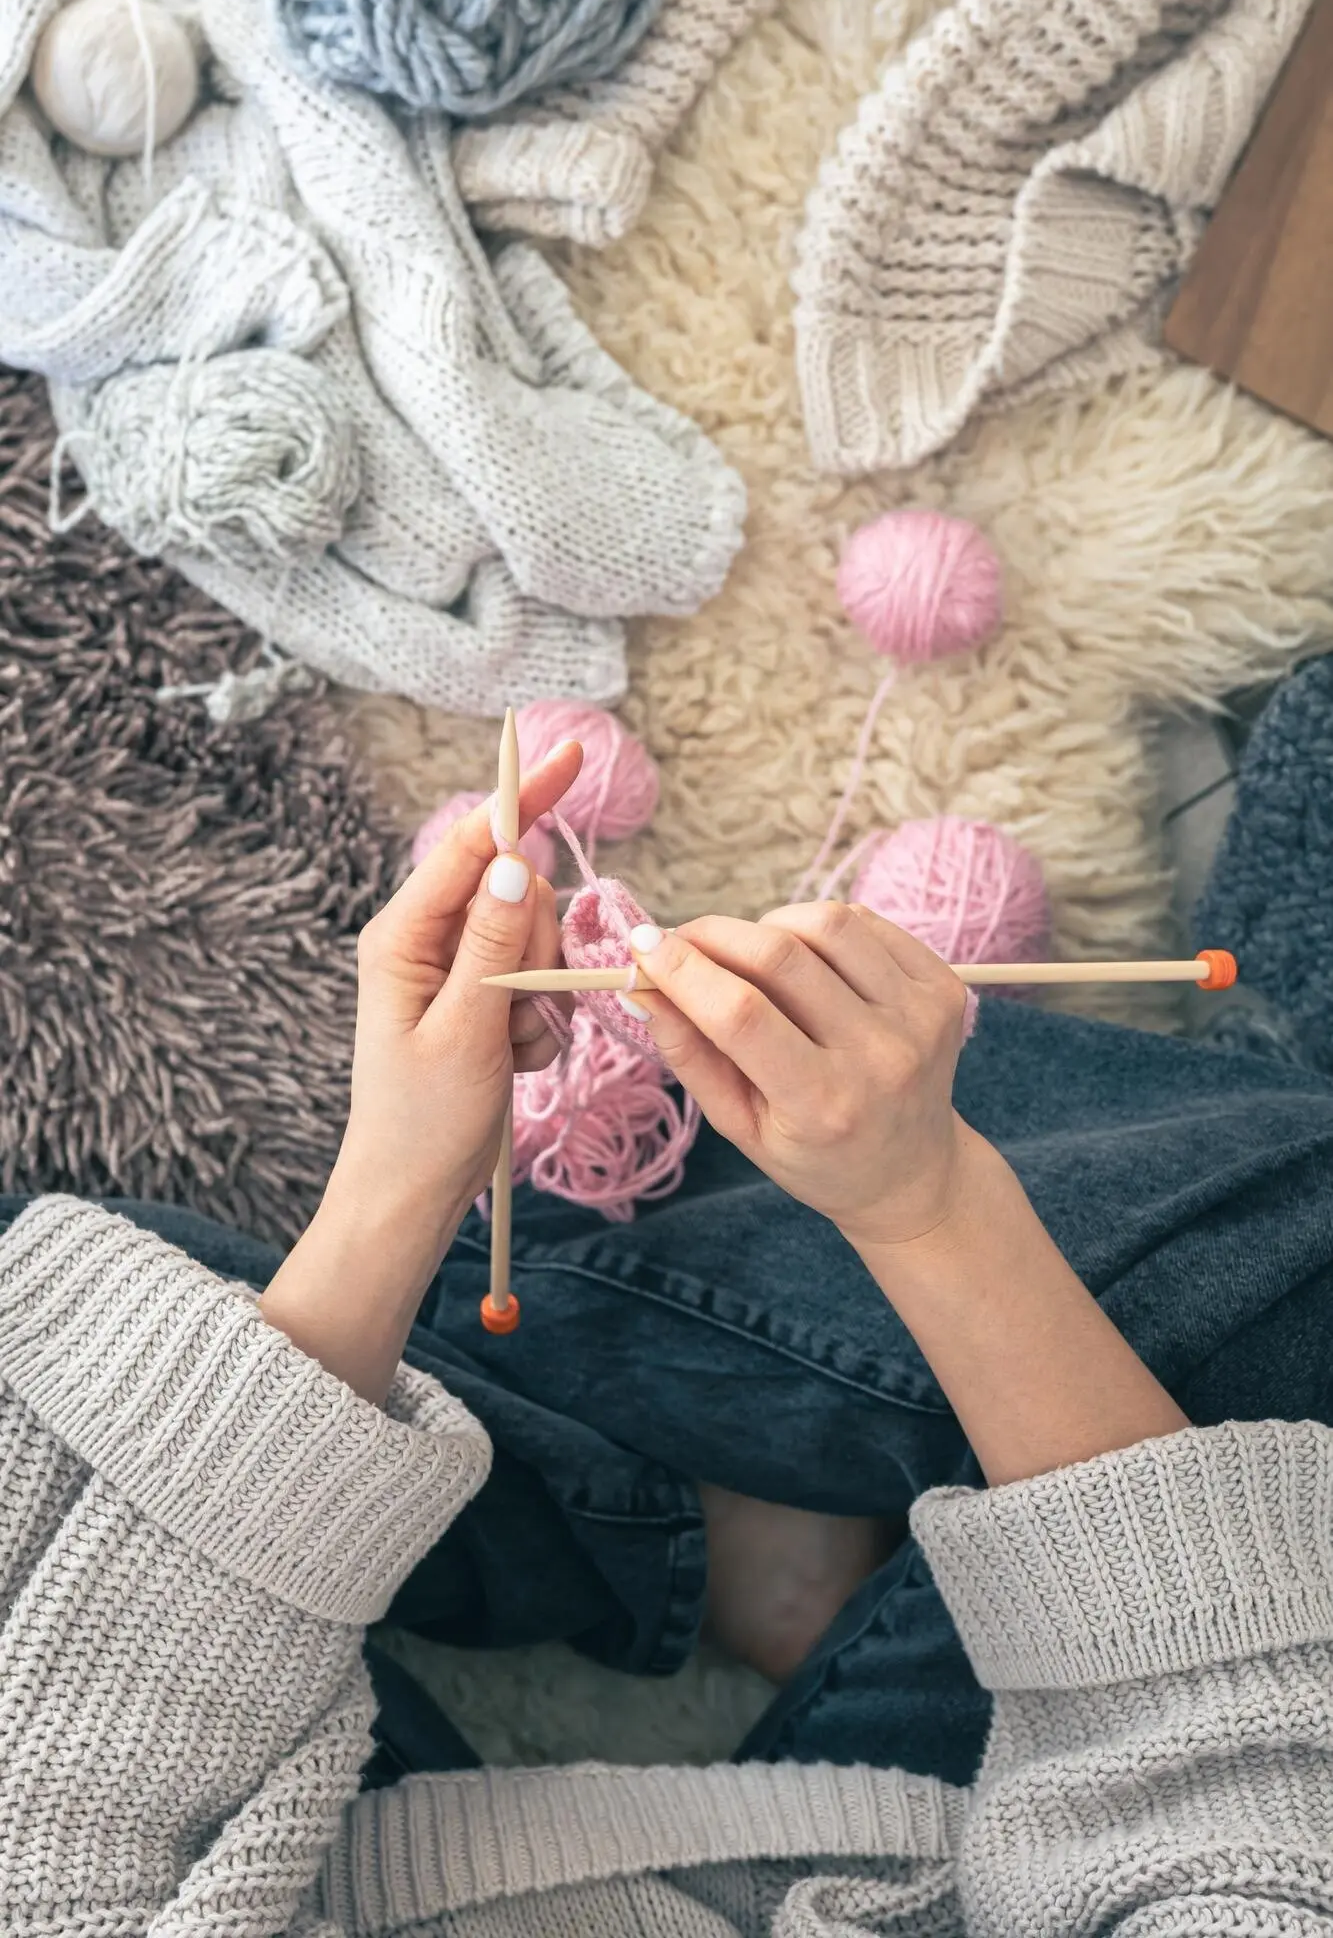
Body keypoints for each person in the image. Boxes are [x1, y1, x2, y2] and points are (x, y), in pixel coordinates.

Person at [5, 734, 1333, 1938]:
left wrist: (392, 1189)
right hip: (947, 1860)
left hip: (271, 1857)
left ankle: (665, 1516)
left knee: (79, 1328)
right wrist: (929, 1209)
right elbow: (1235, 1797)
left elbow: (62, 1831)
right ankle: (691, 1488)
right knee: (1285, 1265)